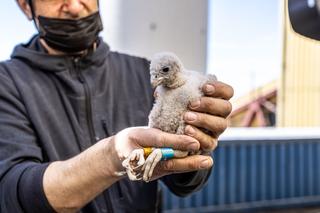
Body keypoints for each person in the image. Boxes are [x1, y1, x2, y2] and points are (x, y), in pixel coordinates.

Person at [0, 0, 234, 212]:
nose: (73, 5)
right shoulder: (7, 83)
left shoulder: (142, 73)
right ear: (25, 6)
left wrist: (196, 144)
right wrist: (112, 156)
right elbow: (12, 194)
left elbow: (184, 185)